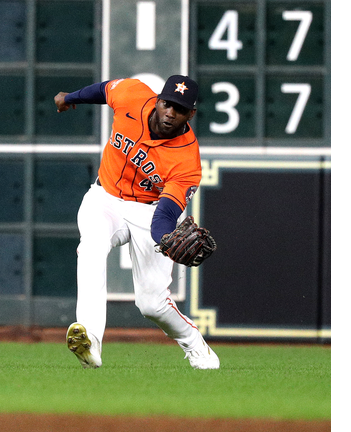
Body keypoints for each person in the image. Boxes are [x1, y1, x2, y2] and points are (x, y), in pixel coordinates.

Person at [54, 75, 220, 370]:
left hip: (150, 211)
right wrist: (70, 98)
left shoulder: (187, 162)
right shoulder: (132, 94)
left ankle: (194, 343)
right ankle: (90, 340)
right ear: (158, 100)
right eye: (167, 104)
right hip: (105, 198)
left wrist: (165, 238)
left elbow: (166, 214)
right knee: (92, 248)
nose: (170, 113)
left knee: (152, 304)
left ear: (190, 114)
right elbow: (104, 90)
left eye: (180, 109)